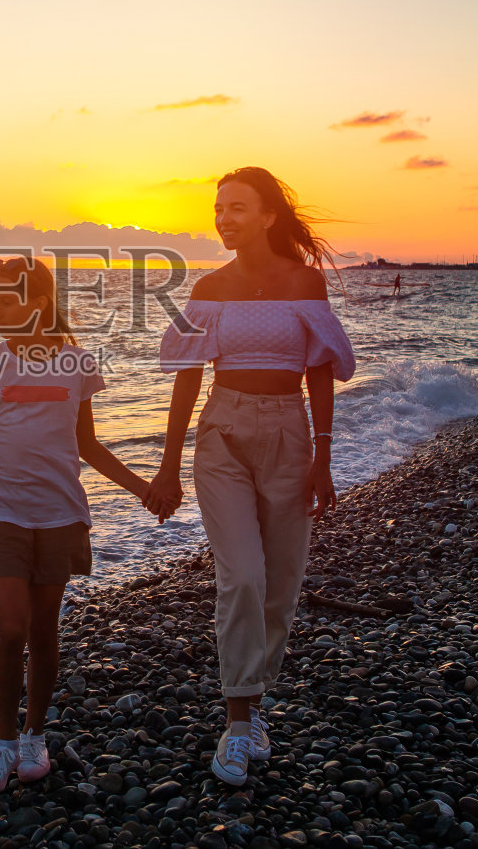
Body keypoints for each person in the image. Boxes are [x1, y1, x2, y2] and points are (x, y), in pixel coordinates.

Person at [148, 167, 355, 788]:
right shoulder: (210, 286)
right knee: (241, 575)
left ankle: (255, 705)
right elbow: (187, 371)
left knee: (281, 583)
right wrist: (165, 464)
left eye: (238, 207)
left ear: (269, 216)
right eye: (218, 209)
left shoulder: (304, 282)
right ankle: (237, 724)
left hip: (291, 432)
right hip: (223, 433)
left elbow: (320, 367)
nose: (224, 218)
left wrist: (323, 454)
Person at [0, 256, 156, 794]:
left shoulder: (77, 364)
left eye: (7, 298)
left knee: (43, 628)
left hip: (60, 512)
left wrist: (143, 488)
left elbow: (88, 445)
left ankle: (36, 735)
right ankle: (5, 741)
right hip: (2, 512)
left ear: (37, 303)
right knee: (11, 627)